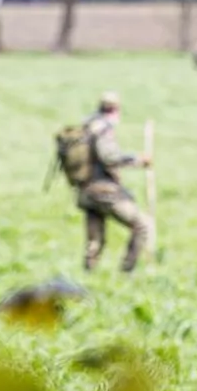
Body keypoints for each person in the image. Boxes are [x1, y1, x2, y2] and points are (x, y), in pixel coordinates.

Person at [76, 91, 153, 273]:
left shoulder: (87, 126)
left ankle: (89, 276)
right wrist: (137, 159)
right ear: (115, 109)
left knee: (94, 241)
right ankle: (127, 272)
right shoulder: (103, 128)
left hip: (85, 191)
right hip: (103, 190)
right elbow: (109, 157)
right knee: (142, 225)